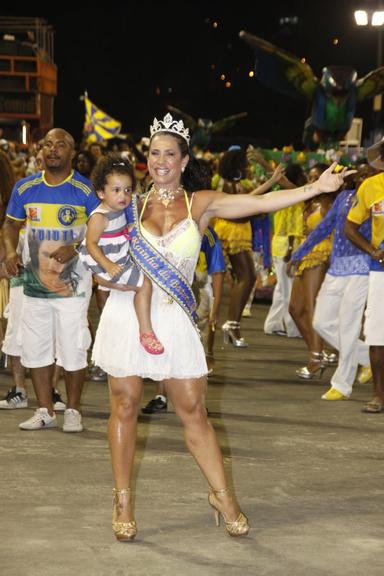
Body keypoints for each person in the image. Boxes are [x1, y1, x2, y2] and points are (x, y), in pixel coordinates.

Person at [91, 113, 353, 542]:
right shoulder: (129, 204)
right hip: (127, 314)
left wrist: (315, 188)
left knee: (193, 409)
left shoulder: (201, 203)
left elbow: (259, 204)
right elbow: (95, 239)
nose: (160, 161)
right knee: (124, 404)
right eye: (154, 153)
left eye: (169, 154)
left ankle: (222, 497)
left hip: (172, 317)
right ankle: (122, 500)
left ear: (184, 159)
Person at [2, 128, 100, 432]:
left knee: (72, 347)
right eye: (48, 145)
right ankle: (44, 410)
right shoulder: (25, 188)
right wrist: (9, 252)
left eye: (61, 145)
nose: (53, 150)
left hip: (71, 286)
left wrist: (78, 248)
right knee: (35, 347)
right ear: (41, 151)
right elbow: (10, 224)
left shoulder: (86, 191)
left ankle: (72, 410)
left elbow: (104, 232)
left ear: (72, 153)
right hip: (33, 283)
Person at [78, 155, 163, 354]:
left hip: (116, 260)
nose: (123, 196)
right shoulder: (100, 217)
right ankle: (146, 331)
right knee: (145, 286)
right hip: (108, 263)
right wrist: (107, 265)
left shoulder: (118, 210)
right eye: (115, 190)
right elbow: (91, 244)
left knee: (133, 285)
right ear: (100, 192)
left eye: (127, 190)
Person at [344, 138, 384, 412]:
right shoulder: (371, 186)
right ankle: (379, 395)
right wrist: (372, 250)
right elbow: (350, 226)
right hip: (380, 271)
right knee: (376, 334)